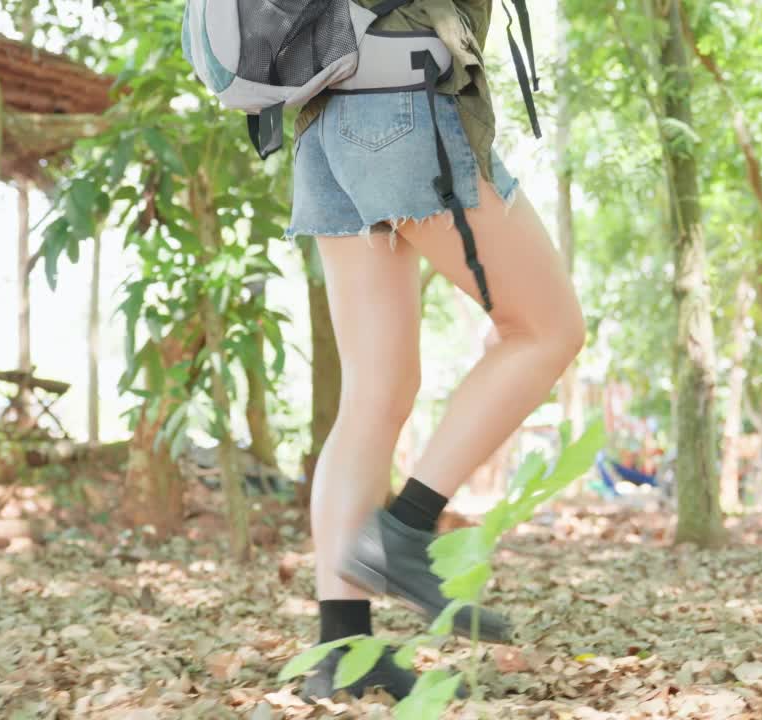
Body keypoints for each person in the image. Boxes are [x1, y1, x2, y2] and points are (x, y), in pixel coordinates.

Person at [285, 0, 586, 701]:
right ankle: (407, 531)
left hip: (323, 115)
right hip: (401, 103)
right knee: (547, 328)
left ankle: (343, 653)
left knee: (374, 392)